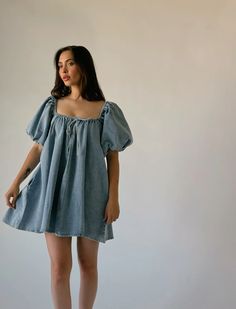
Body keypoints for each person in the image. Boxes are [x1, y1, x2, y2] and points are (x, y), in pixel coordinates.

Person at [2, 45, 133, 309]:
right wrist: (16, 182)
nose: (63, 70)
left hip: (92, 194)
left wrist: (113, 199)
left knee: (88, 265)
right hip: (55, 194)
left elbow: (113, 157)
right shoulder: (52, 106)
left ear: (83, 66)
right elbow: (38, 148)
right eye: (59, 65)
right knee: (59, 267)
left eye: (69, 63)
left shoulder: (105, 110)